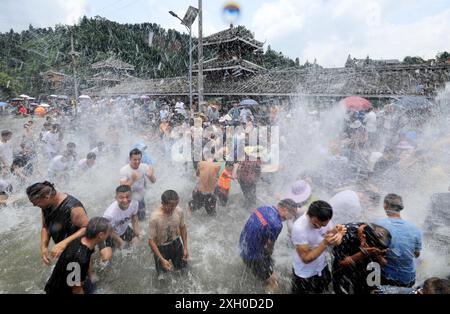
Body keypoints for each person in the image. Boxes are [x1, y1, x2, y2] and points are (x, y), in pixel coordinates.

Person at [239, 199, 298, 293]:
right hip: (253, 257)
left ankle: (252, 269)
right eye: (292, 214)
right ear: (284, 209)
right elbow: (269, 247)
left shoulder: (263, 208)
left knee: (264, 266)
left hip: (242, 246)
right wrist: (268, 258)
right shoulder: (277, 224)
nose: (291, 218)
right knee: (274, 281)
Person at [26, 181, 89, 264]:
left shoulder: (73, 207)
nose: (34, 205)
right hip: (65, 250)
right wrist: (44, 247)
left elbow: (87, 228)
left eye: (36, 203)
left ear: (47, 197)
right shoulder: (46, 205)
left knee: (88, 275)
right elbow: (45, 227)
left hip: (80, 249)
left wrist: (64, 243)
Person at [44, 217, 111, 295]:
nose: (109, 234)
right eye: (108, 232)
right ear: (101, 235)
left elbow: (88, 258)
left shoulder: (84, 241)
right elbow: (76, 290)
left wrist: (91, 274)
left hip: (62, 280)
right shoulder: (80, 259)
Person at [291, 200, 347, 294]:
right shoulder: (299, 228)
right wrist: (324, 243)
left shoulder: (324, 218)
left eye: (323, 225)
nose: (320, 227)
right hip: (305, 273)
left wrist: (338, 233)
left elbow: (330, 237)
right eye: (316, 224)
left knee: (321, 290)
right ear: (309, 215)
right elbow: (305, 258)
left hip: (322, 267)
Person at [375, 194, 422, 287]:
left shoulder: (378, 224)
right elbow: (416, 254)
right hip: (408, 279)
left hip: (386, 278)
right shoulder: (415, 228)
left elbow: (371, 250)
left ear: (385, 205)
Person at [332, 223, 391, 294]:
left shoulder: (381, 241)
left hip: (366, 266)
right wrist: (363, 253)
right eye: (369, 245)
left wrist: (377, 255)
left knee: (369, 289)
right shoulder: (346, 234)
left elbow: (383, 263)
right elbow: (340, 263)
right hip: (345, 266)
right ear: (363, 236)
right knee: (342, 288)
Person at [148, 190, 188, 275]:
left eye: (175, 205)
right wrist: (161, 259)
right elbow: (151, 241)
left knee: (183, 271)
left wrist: (185, 248)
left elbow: (183, 228)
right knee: (162, 277)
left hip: (176, 243)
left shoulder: (179, 211)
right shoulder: (155, 218)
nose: (172, 209)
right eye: (170, 206)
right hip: (161, 248)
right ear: (162, 203)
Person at [99, 185, 140, 262]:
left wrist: (136, 233)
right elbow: (108, 230)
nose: (125, 200)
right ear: (116, 198)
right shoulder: (110, 214)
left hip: (123, 229)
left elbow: (134, 217)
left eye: (128, 197)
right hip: (108, 234)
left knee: (136, 243)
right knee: (107, 258)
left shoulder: (134, 203)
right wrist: (119, 241)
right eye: (121, 197)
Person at [119, 148, 156, 221]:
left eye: (139, 159)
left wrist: (151, 176)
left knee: (142, 219)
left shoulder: (144, 166)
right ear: (130, 159)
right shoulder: (124, 170)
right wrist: (132, 180)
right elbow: (122, 189)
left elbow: (153, 181)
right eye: (135, 160)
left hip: (140, 197)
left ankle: (141, 230)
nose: (137, 162)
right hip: (128, 199)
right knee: (129, 219)